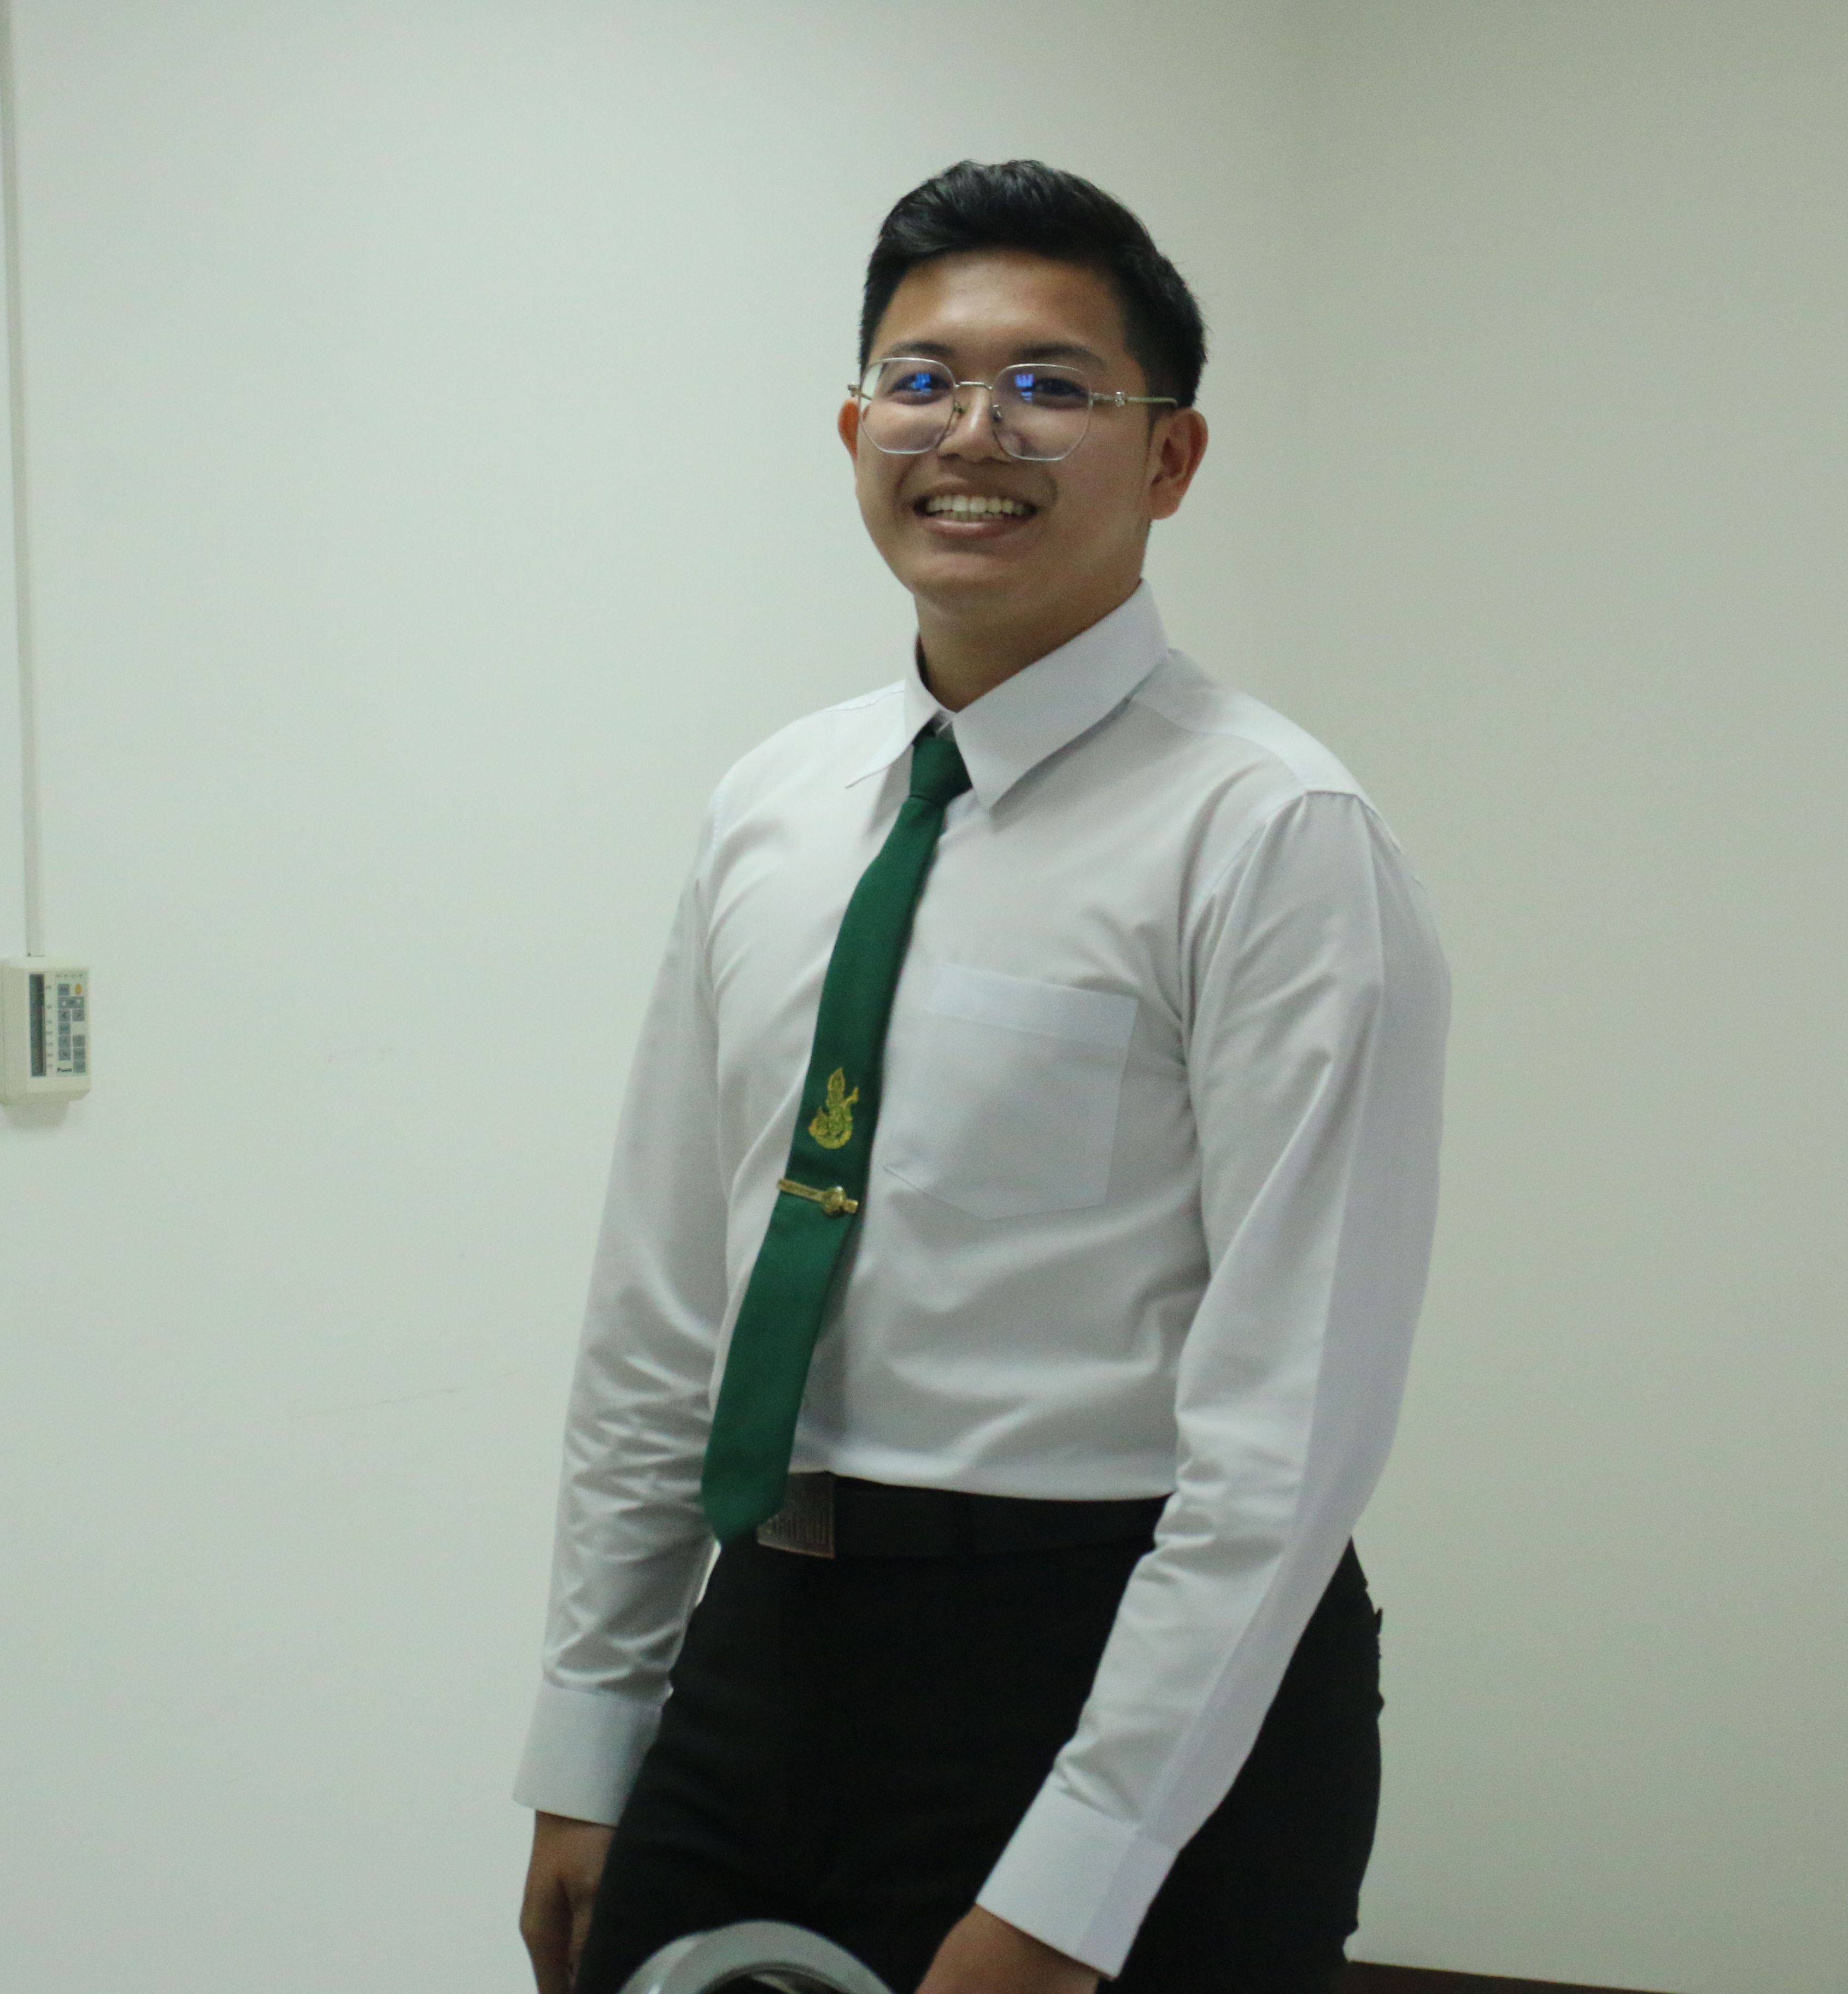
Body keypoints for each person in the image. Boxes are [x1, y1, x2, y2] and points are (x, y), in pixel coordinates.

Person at [514, 161, 1448, 1994]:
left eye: (1049, 386)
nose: (973, 431)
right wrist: (591, 1728)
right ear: (855, 425)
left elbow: (1291, 1433)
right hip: (768, 1635)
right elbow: (662, 1306)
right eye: (924, 379)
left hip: (1109, 1655)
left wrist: (1073, 1887)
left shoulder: (1273, 837)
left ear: (1170, 457)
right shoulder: (776, 806)